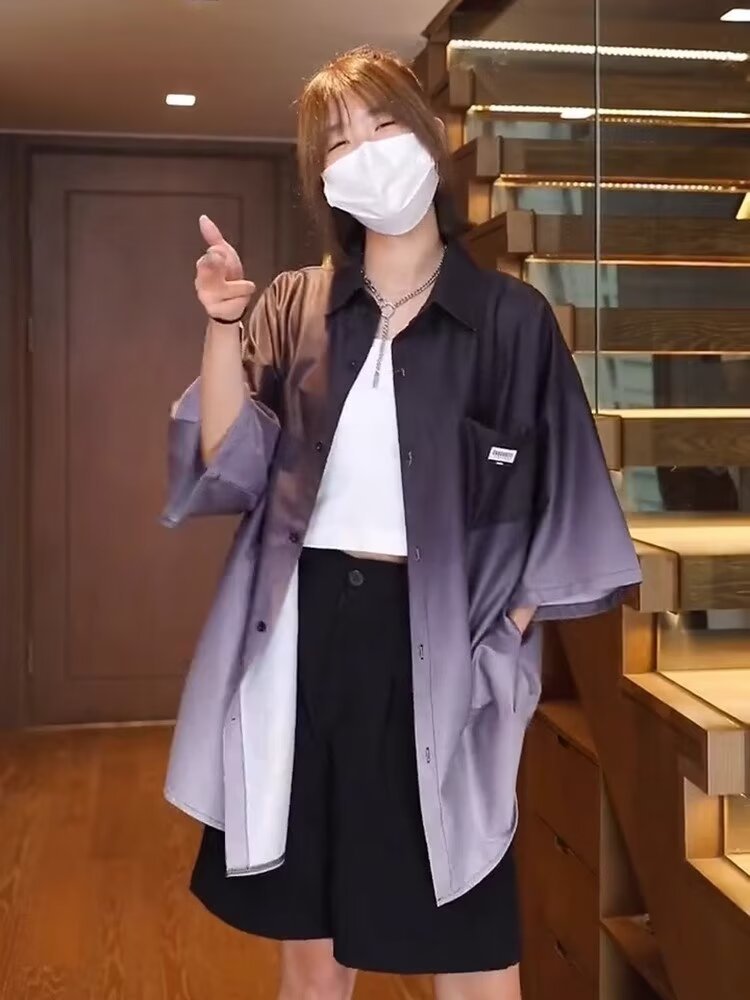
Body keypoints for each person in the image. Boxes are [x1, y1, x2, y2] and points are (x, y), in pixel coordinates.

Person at [160, 46, 642, 1000]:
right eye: (339, 142)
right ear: (323, 178)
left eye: (382, 126)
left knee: (472, 955)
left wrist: (501, 635)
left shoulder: (511, 321)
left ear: (427, 138)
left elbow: (569, 503)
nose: (366, 152)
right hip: (305, 641)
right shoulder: (295, 304)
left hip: (441, 649)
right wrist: (221, 326)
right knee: (312, 959)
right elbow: (226, 463)